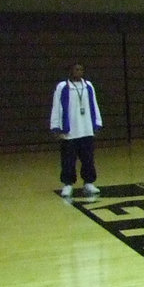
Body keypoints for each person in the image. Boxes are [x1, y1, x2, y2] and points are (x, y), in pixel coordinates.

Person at [49, 62, 102, 198]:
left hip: (86, 129)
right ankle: (67, 184)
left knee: (88, 158)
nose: (79, 72)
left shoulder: (88, 86)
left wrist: (97, 124)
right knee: (68, 160)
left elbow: (94, 104)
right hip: (70, 132)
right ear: (70, 71)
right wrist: (55, 126)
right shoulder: (62, 87)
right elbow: (56, 107)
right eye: (76, 69)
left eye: (81, 69)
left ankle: (89, 182)